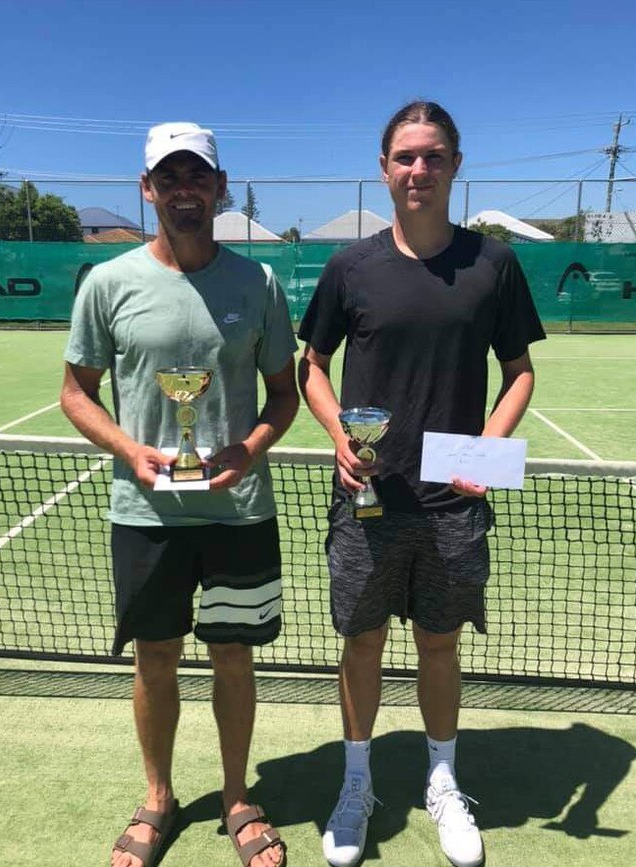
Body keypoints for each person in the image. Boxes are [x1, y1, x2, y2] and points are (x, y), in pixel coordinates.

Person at [298, 100, 545, 867]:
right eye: (405, 156)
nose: (418, 169)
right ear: (384, 169)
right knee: (361, 643)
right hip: (367, 503)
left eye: (433, 156)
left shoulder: (494, 264)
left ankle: (443, 782)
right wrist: (341, 435)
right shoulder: (350, 267)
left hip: (452, 506)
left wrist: (487, 450)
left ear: (455, 166)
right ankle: (356, 783)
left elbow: (520, 372)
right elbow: (313, 367)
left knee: (439, 645)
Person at [61, 122, 298, 867]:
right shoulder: (108, 283)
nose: (184, 190)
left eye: (198, 177)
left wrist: (249, 448)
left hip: (238, 514)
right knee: (154, 658)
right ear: (147, 189)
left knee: (234, 657)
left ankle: (236, 797)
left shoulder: (256, 284)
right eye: (170, 178)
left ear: (220, 188)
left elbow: (284, 394)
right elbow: (75, 394)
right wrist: (130, 449)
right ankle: (158, 796)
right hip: (145, 516)